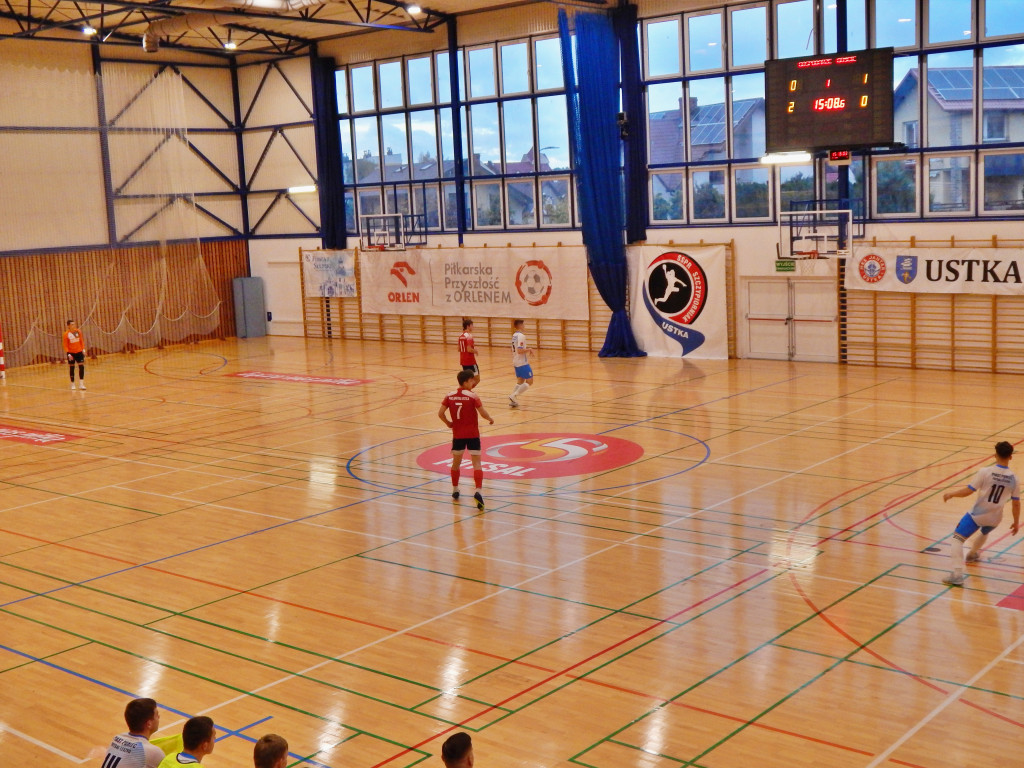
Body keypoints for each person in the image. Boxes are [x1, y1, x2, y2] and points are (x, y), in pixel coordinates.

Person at [942, 440, 1021, 586]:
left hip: (977, 515)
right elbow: (1016, 503)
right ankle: (972, 554)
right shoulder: (1014, 479)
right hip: (995, 518)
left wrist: (951, 494)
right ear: (1011, 457)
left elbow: (968, 491)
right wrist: (1016, 522)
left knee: (956, 539)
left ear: (995, 455)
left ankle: (958, 575)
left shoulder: (985, 472)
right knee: (985, 532)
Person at [438, 369, 493, 511]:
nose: (474, 382)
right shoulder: (473, 396)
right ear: (465, 382)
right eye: (471, 380)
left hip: (458, 435)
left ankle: (455, 489)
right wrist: (490, 419)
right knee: (477, 463)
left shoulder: (449, 396)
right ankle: (478, 491)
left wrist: (448, 423)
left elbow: (440, 413)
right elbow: (482, 412)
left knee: (456, 464)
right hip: (473, 434)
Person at [101, 698, 181, 768]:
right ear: (149, 724)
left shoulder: (117, 738)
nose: (159, 717)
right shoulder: (152, 752)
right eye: (157, 715)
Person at [508, 318, 533, 408]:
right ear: (519, 325)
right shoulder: (521, 336)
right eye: (523, 325)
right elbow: (520, 350)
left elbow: (512, 349)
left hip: (516, 361)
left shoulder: (514, 335)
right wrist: (529, 349)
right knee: (530, 380)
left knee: (520, 380)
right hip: (522, 362)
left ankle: (513, 399)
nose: (524, 326)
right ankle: (514, 396)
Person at [63, 319, 86, 390]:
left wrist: (83, 349)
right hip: (71, 353)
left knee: (81, 367)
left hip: (79, 352)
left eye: (74, 324)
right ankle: (72, 384)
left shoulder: (78, 332)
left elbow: (81, 341)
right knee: (72, 368)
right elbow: (65, 345)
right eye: (72, 324)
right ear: (68, 326)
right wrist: (68, 353)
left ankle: (81, 384)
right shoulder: (66, 334)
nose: (73, 325)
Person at [458, 318, 480, 385]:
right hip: (470, 361)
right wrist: (475, 351)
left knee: (467, 380)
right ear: (468, 326)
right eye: (472, 325)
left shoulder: (461, 336)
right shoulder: (469, 336)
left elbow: (459, 349)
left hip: (463, 361)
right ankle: (467, 392)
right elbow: (469, 349)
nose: (473, 327)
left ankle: (464, 392)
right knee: (477, 379)